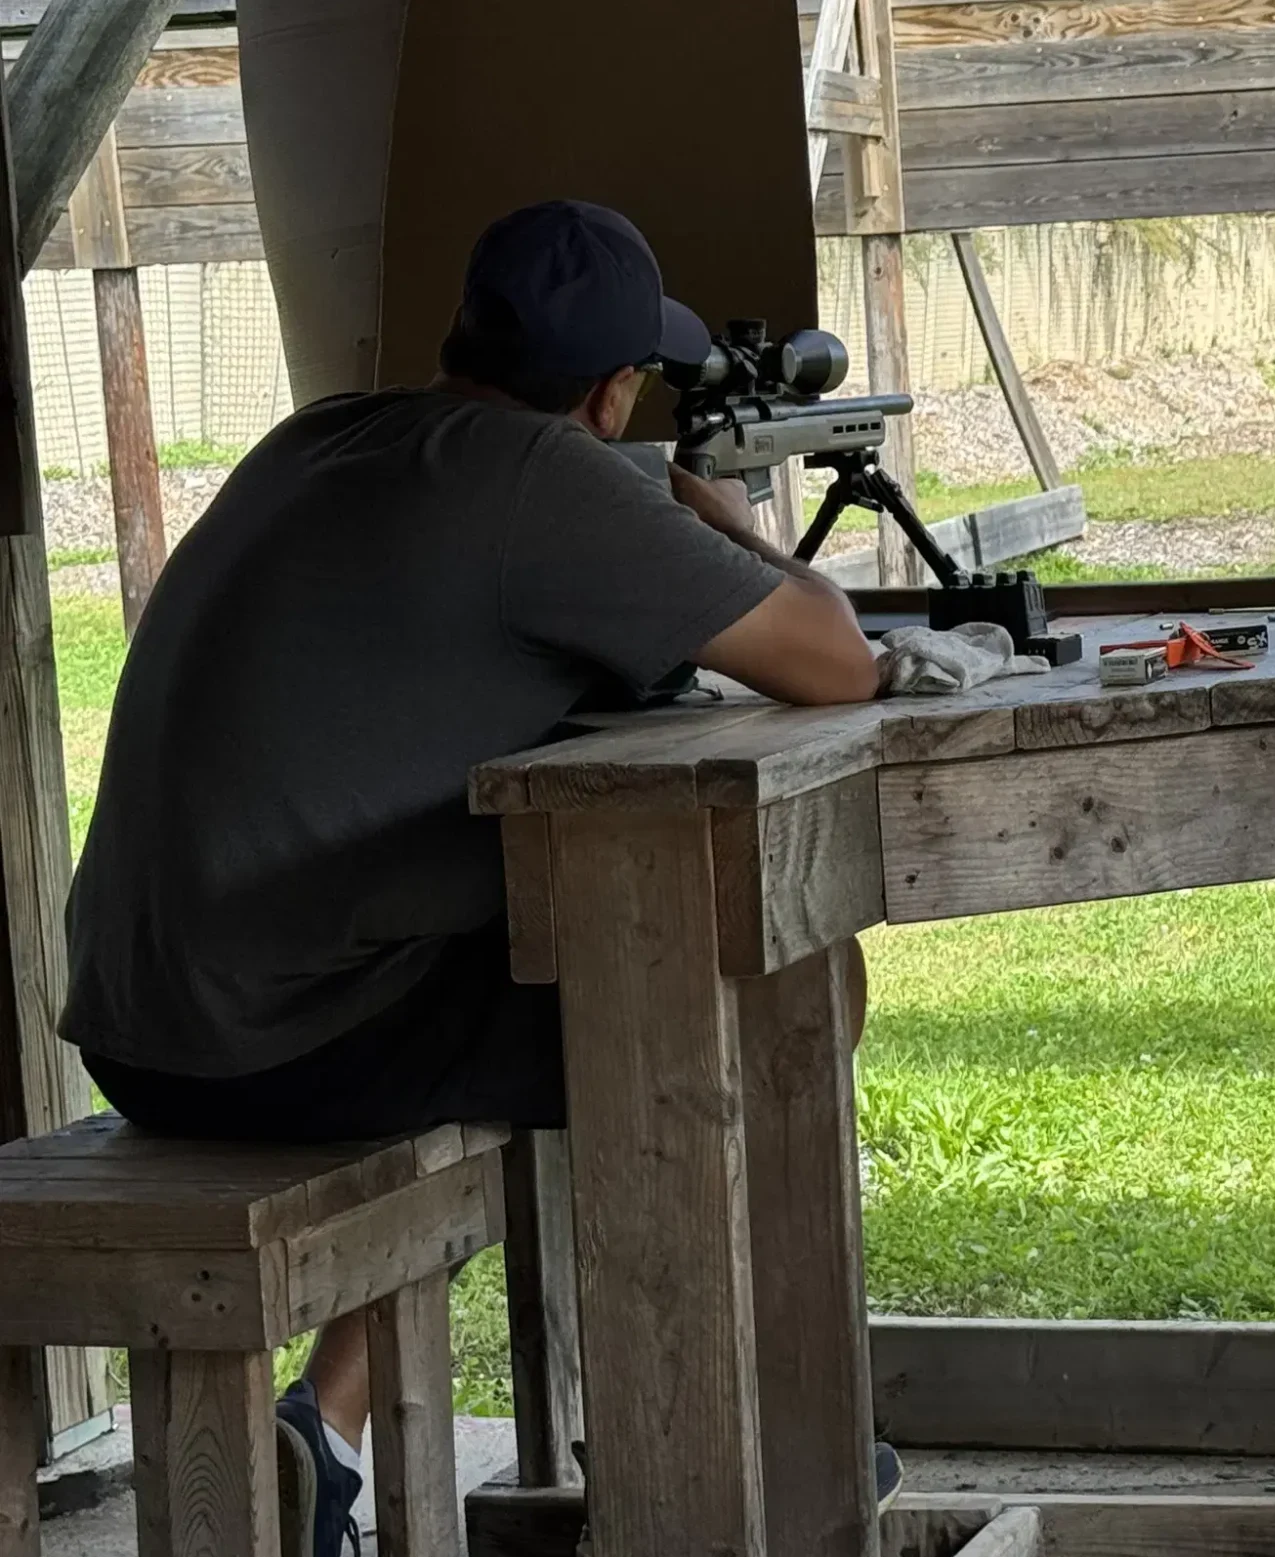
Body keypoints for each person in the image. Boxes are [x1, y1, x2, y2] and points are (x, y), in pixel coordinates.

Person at [57, 200, 892, 1556]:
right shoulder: (536, 479)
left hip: (137, 1023)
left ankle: (326, 1433)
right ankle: (726, 1427)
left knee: (552, 994)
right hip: (286, 1035)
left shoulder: (319, 433)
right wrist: (715, 510)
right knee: (754, 976)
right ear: (616, 391)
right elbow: (833, 660)